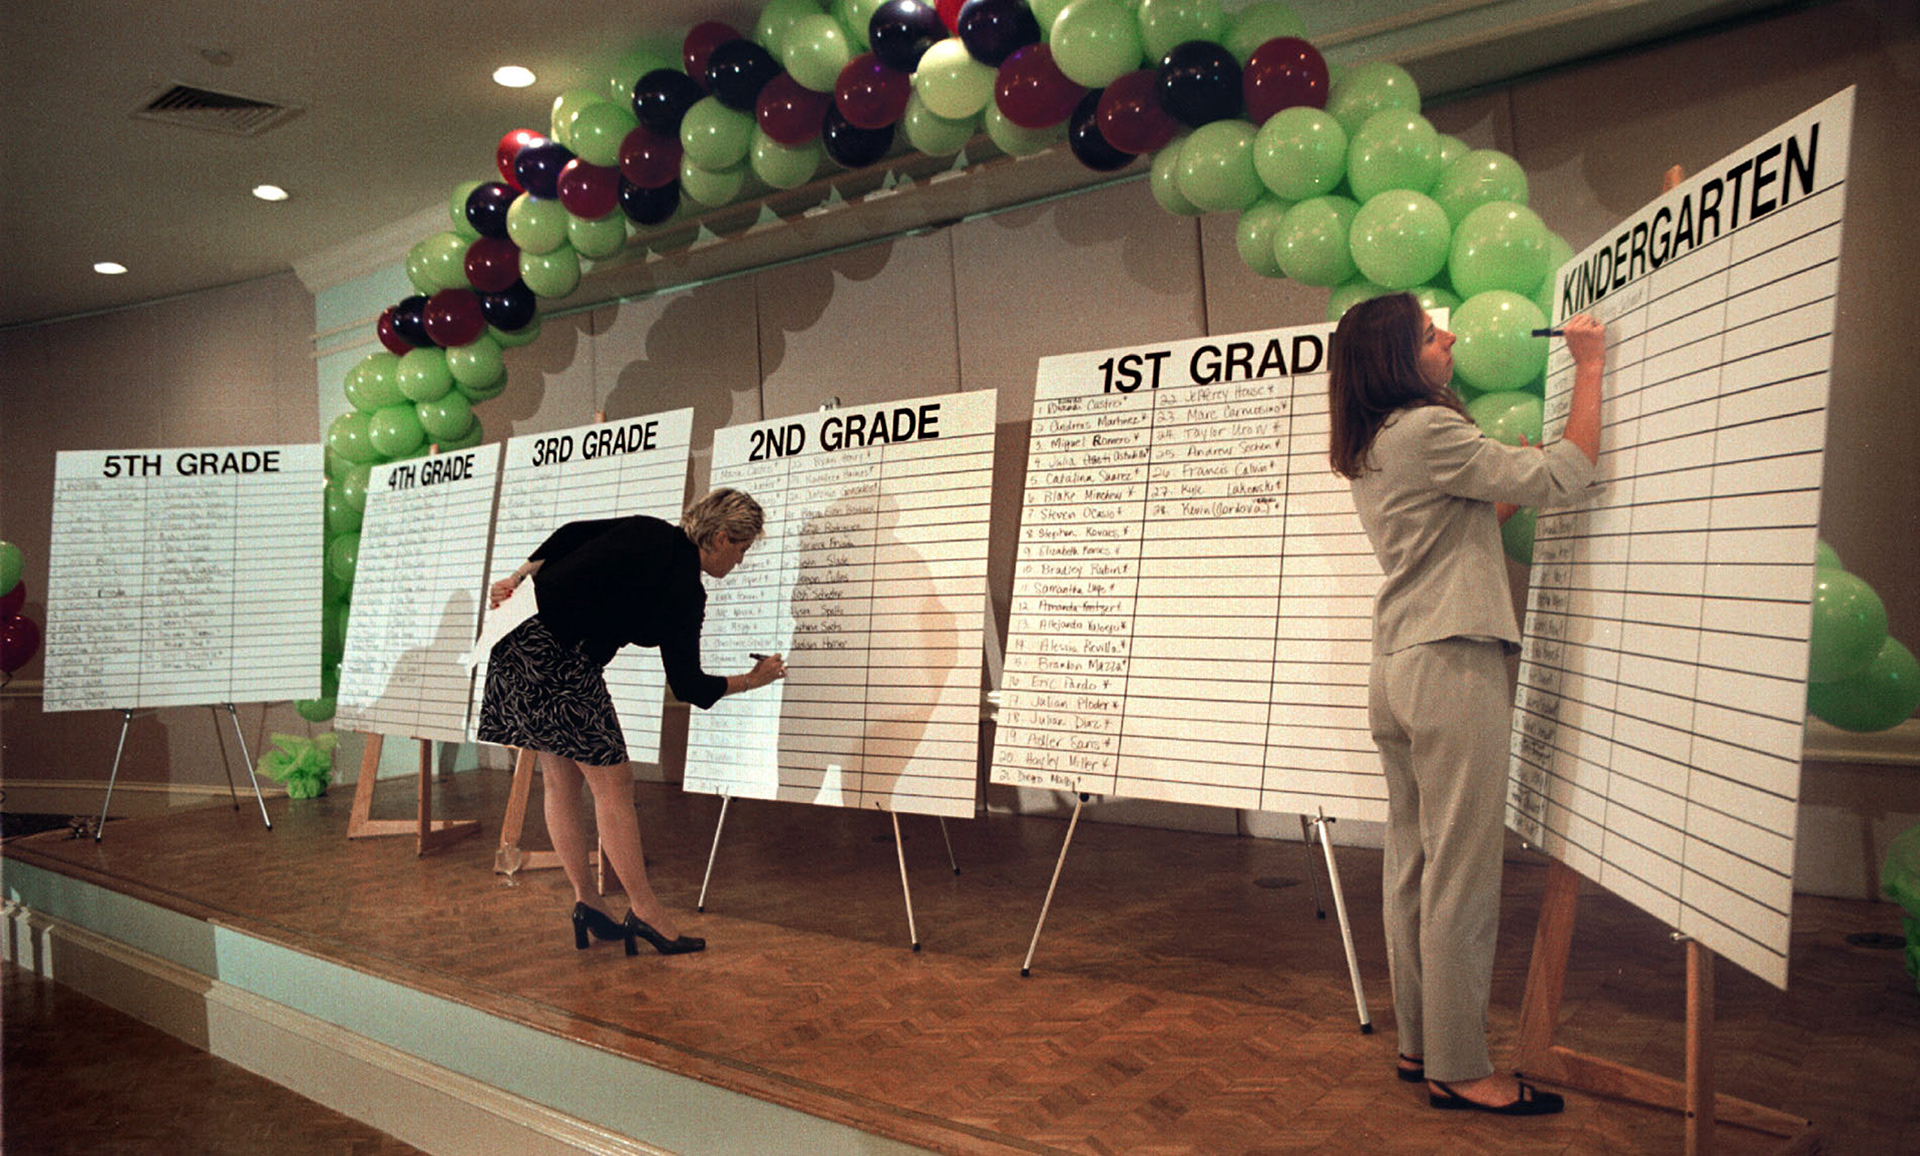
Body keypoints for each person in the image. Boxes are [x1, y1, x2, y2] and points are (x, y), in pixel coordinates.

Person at [1328, 294, 1604, 1116]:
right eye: (1429, 334)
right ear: (1399, 358)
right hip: (1450, 662)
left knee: (1415, 863)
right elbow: (1567, 470)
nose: (1447, 339)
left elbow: (1453, 529)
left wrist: (1500, 493)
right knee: (1461, 870)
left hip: (1401, 665)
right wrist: (1591, 366)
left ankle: (1422, 1046)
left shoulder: (1376, 441)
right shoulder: (1427, 429)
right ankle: (1460, 1064)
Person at [478, 487, 787, 956]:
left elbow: (568, 534)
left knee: (561, 781)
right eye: (742, 550)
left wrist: (517, 576)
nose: (740, 562)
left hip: (518, 638)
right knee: (614, 784)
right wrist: (753, 679)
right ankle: (647, 914)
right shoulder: (685, 588)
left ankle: (589, 905)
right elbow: (688, 686)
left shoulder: (648, 528)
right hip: (560, 658)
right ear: (720, 538)